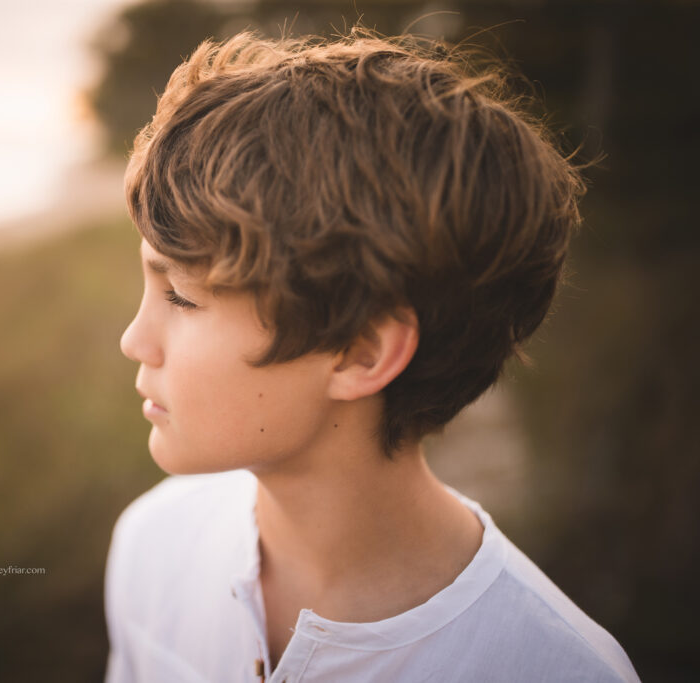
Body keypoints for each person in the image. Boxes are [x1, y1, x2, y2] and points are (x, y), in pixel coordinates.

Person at [104, 24, 639, 683]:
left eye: (181, 298)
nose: (134, 339)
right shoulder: (154, 546)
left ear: (361, 352)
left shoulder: (555, 669)